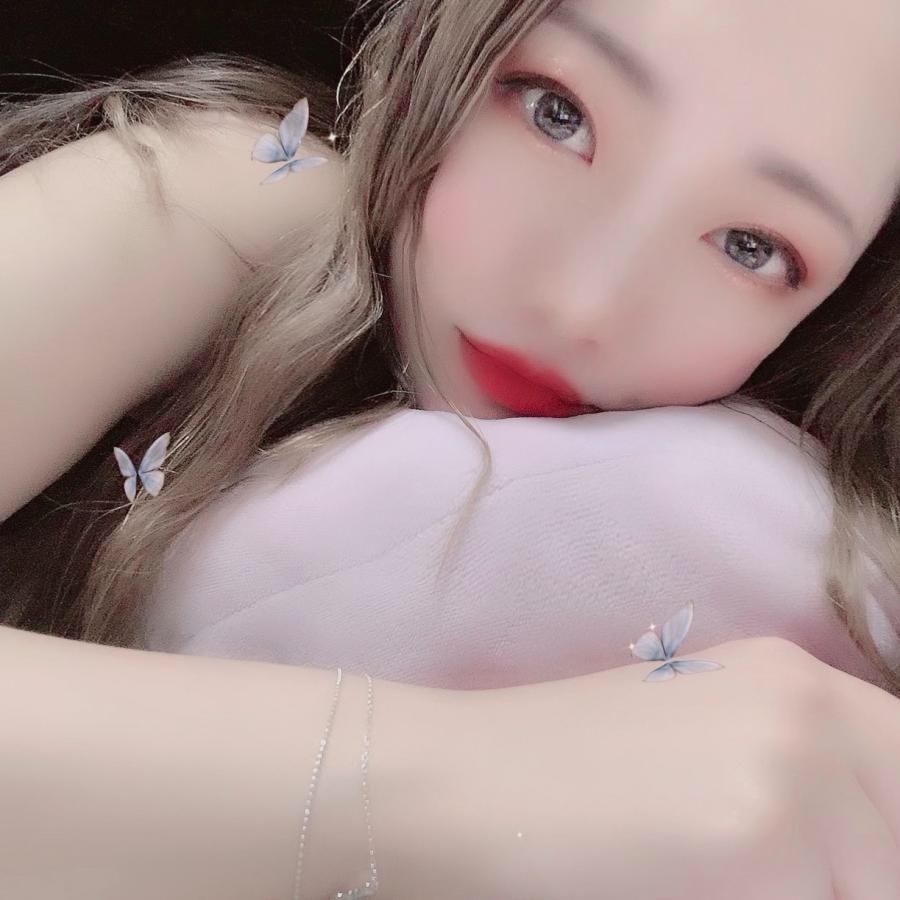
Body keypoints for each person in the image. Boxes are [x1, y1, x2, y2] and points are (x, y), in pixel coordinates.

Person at [2, 0, 900, 894]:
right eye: (557, 114)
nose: (581, 303)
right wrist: (469, 779)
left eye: (750, 247)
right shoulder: (242, 190)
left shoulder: (755, 524)